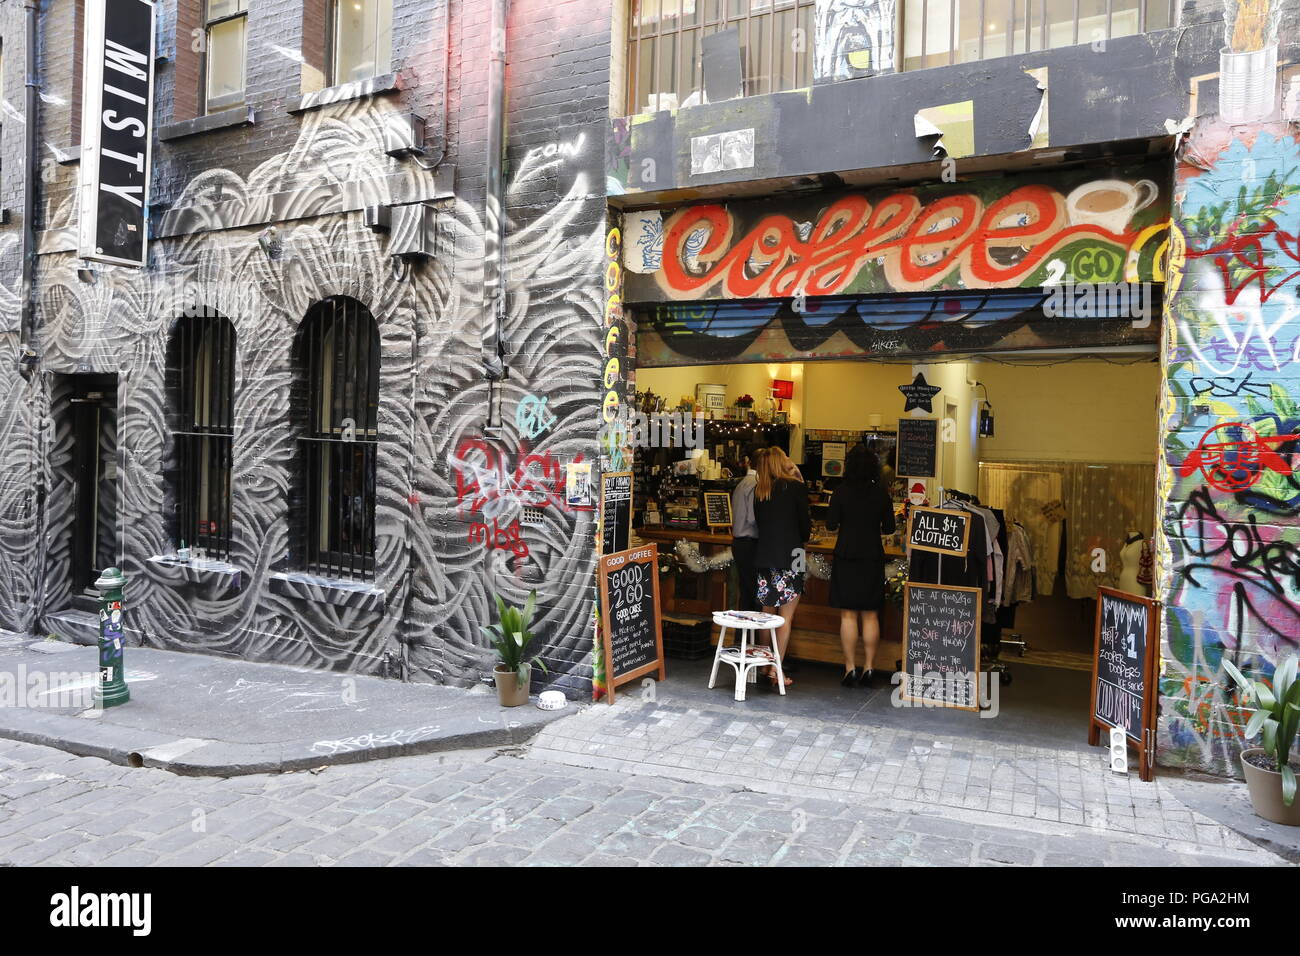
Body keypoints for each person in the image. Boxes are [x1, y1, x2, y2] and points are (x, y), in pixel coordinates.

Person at [825, 444, 896, 687]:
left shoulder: (841, 492)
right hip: (871, 557)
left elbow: (831, 525)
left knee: (848, 615)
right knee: (870, 615)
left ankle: (849, 668)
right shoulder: (881, 494)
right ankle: (869, 667)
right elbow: (889, 528)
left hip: (846, 555)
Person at [753, 446, 810, 689]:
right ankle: (776, 670)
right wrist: (799, 477)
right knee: (786, 617)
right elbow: (805, 526)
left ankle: (765, 665)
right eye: (786, 458)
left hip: (765, 556)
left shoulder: (760, 490)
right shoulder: (795, 487)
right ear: (780, 463)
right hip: (793, 556)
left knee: (768, 616)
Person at [730, 444, 765, 612]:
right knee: (755, 593)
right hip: (750, 543)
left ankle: (742, 636)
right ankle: (754, 635)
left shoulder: (742, 483)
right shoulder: (755, 485)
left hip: (739, 543)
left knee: (746, 592)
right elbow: (753, 518)